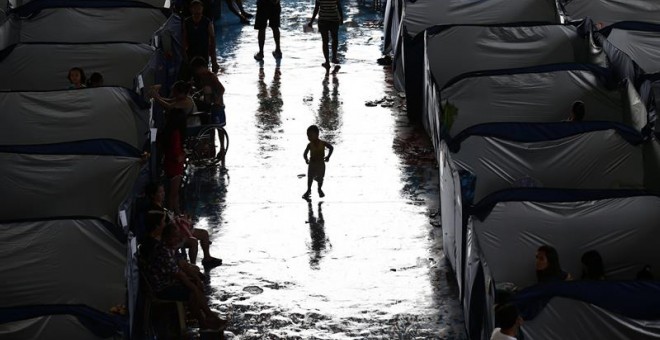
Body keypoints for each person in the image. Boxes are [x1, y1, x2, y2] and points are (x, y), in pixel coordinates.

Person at [147, 223, 226, 330]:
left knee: (195, 284)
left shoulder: (170, 247)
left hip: (170, 280)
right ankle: (205, 320)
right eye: (175, 236)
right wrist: (196, 286)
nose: (178, 238)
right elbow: (180, 276)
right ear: (167, 238)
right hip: (162, 287)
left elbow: (183, 263)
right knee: (193, 292)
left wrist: (197, 278)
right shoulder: (163, 252)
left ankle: (207, 317)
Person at [145, 182, 223, 270]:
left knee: (204, 233)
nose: (163, 194)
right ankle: (193, 266)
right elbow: (162, 230)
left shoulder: (162, 207)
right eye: (160, 192)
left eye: (163, 191)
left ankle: (207, 258)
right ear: (152, 195)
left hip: (178, 230)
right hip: (170, 237)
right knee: (193, 242)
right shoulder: (155, 212)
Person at [151, 81, 195, 214]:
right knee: (173, 194)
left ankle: (177, 213)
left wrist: (156, 96)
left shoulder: (170, 133)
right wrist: (184, 155)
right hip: (175, 167)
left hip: (171, 164)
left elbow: (169, 105)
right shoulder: (176, 136)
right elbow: (177, 155)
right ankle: (173, 215)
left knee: (173, 194)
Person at [183, 0, 220, 73]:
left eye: (199, 8)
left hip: (203, 52)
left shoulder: (207, 22)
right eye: (195, 8)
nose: (197, 11)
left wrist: (214, 61)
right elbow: (184, 39)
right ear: (191, 10)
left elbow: (212, 41)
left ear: (202, 9)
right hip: (191, 52)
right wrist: (184, 56)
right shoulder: (186, 22)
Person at [307, 0, 343, 69]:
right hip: (334, 20)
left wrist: (311, 21)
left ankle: (327, 62)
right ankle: (334, 58)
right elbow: (339, 6)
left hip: (323, 20)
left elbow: (316, 8)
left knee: (325, 41)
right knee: (335, 39)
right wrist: (341, 18)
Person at [302, 125, 334, 199]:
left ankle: (319, 189)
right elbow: (304, 154)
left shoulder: (322, 143)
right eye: (308, 136)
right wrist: (306, 159)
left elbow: (331, 147)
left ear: (317, 135)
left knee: (320, 178)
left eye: (310, 136)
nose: (309, 138)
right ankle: (308, 190)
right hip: (312, 163)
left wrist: (328, 156)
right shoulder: (309, 145)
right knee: (310, 178)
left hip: (320, 163)